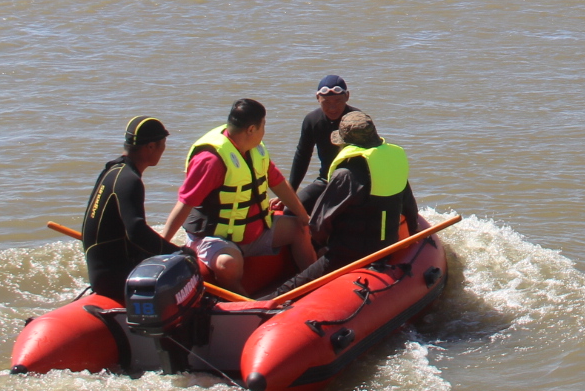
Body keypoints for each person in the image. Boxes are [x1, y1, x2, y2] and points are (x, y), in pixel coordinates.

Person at [163, 98, 315, 291]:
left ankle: (313, 284)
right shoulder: (211, 160)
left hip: (255, 230)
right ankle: (248, 309)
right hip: (216, 237)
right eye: (263, 126)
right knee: (228, 264)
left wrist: (302, 215)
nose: (264, 131)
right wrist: (162, 245)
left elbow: (277, 182)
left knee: (298, 228)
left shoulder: (255, 149)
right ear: (251, 129)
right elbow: (185, 203)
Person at [79, 116, 181, 301]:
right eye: (163, 144)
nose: (164, 150)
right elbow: (136, 232)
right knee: (183, 271)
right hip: (115, 278)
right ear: (150, 146)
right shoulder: (129, 181)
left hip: (103, 271)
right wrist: (177, 253)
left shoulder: (113, 171)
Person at [307, 111, 423, 268]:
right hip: (386, 248)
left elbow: (318, 224)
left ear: (345, 144)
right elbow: (409, 206)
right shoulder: (391, 165)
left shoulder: (346, 175)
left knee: (287, 289)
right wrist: (415, 233)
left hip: (348, 255)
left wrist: (322, 247)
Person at [289, 74, 355, 214]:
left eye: (338, 101)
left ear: (347, 96)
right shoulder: (312, 120)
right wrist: (290, 192)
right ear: (317, 98)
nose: (332, 108)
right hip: (325, 180)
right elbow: (302, 156)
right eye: (326, 102)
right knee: (290, 210)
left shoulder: (358, 121)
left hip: (354, 185)